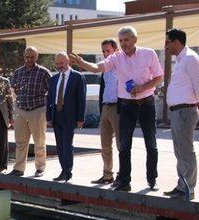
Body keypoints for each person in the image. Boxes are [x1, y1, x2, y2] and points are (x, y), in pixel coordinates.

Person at [71, 26, 164, 192]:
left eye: (126, 40)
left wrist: (142, 87)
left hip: (146, 103)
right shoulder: (116, 57)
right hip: (126, 105)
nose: (123, 44)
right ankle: (124, 182)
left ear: (135, 39)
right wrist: (82, 63)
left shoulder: (149, 54)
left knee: (151, 143)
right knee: (124, 145)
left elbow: (159, 77)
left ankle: (152, 179)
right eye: (121, 41)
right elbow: (98, 67)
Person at [163, 28, 199, 201]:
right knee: (180, 151)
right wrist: (195, 101)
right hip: (179, 110)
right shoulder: (182, 59)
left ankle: (188, 188)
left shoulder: (190, 58)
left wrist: (195, 101)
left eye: (168, 43)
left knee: (185, 150)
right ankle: (182, 185)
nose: (166, 47)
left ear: (176, 42)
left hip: (184, 110)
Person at [10, 46, 51, 177]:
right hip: (20, 110)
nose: (29, 59)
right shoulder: (18, 72)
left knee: (39, 141)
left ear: (36, 57)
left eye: (32, 57)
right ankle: (19, 168)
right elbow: (13, 90)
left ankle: (40, 168)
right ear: (24, 57)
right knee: (20, 142)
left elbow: (51, 91)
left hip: (37, 110)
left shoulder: (44, 72)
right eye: (27, 57)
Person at [46, 52, 86, 182]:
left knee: (67, 144)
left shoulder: (77, 77)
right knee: (60, 145)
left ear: (68, 61)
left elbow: (81, 99)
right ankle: (63, 169)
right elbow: (50, 98)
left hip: (70, 115)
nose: (59, 66)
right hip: (56, 114)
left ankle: (68, 171)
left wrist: (80, 119)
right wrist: (49, 117)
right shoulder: (53, 79)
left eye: (61, 63)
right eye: (57, 64)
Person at [90, 39, 120, 185]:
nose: (105, 53)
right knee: (105, 145)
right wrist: (101, 110)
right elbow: (103, 89)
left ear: (115, 50)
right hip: (106, 107)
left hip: (118, 108)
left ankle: (123, 175)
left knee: (122, 145)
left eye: (108, 50)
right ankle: (107, 175)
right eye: (103, 51)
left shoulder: (122, 64)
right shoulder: (105, 69)